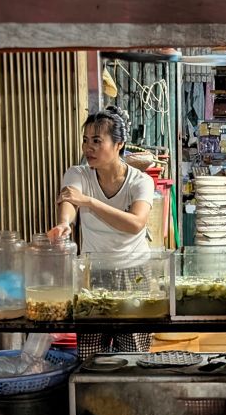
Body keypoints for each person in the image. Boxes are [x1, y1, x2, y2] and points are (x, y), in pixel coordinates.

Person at [48, 105, 155, 358]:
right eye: (86, 141)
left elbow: (136, 223)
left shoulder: (140, 181)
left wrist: (90, 202)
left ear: (119, 144)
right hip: (92, 276)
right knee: (91, 356)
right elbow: (70, 201)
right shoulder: (78, 173)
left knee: (133, 355)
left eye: (97, 141)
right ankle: (94, 398)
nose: (89, 148)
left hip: (133, 274)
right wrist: (65, 223)